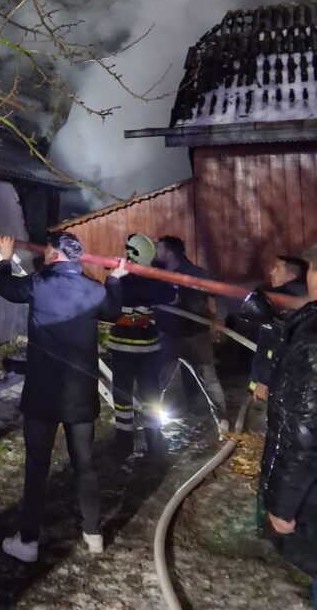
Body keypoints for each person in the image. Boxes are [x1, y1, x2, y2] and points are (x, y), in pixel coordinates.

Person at [0, 231, 127, 563]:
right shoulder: (94, 290)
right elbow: (113, 311)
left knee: (37, 466)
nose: (45, 254)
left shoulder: (40, 284)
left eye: (47, 250)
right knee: (85, 464)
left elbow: (6, 288)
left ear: (54, 254)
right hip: (79, 396)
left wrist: (5, 259)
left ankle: (28, 542)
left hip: (43, 395)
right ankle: (93, 533)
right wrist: (115, 279)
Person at [246, 246, 317, 608]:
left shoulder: (312, 338)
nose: (271, 274)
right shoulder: (300, 318)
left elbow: (304, 434)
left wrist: (282, 506)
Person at [107, 234, 175, 456]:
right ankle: (153, 440)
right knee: (150, 395)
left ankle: (124, 441)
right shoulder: (153, 280)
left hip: (122, 347)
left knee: (122, 396)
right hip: (147, 347)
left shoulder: (121, 279)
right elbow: (171, 295)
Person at [153, 236, 229, 433]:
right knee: (157, 381)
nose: (155, 252)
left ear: (169, 252)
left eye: (159, 249)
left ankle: (223, 424)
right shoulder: (157, 273)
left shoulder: (197, 274)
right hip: (167, 336)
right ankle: (150, 425)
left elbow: (218, 294)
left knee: (209, 381)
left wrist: (219, 319)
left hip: (195, 337)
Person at [247, 255, 307, 402]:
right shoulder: (303, 298)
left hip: (281, 382)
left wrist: (263, 381)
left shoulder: (282, 303)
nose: (272, 271)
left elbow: (275, 346)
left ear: (291, 276)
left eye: (278, 268)